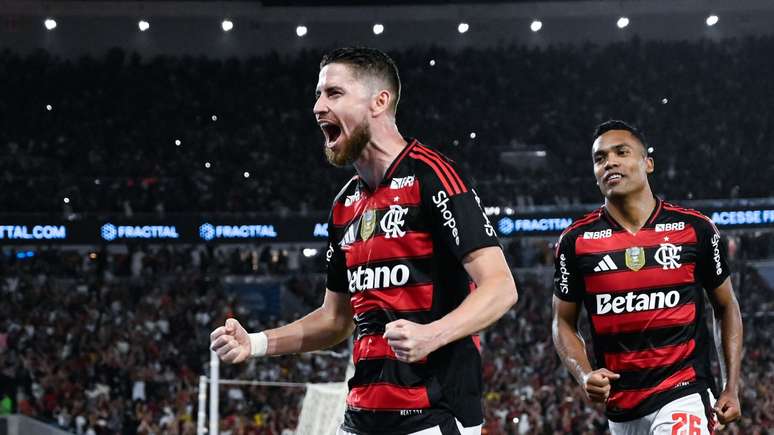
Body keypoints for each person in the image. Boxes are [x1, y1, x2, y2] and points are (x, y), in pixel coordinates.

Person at [210, 47, 518, 435]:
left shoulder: (432, 176)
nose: (318, 106)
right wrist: (254, 343)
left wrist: (431, 335)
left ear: (380, 101)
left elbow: (501, 286)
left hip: (433, 415)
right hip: (360, 416)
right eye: (318, 95)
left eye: (334, 93)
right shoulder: (344, 205)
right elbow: (336, 319)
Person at [551, 120, 743, 434]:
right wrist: (583, 374)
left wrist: (731, 385)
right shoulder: (576, 241)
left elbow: (726, 306)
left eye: (621, 152)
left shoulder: (696, 229)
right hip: (621, 407)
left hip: (685, 391)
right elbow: (562, 321)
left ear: (647, 163)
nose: (609, 162)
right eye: (600, 159)